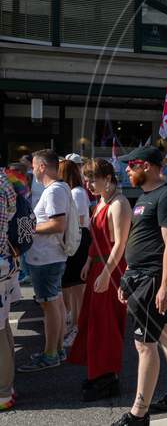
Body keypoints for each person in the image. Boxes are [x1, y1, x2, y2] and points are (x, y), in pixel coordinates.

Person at [112, 147, 167, 426]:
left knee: (144, 345)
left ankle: (138, 413)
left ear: (145, 165)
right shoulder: (146, 196)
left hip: (155, 278)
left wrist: (165, 286)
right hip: (141, 276)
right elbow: (141, 239)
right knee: (166, 334)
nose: (127, 171)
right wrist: (127, 276)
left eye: (130, 166)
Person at [69, 159, 130, 402]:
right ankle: (100, 374)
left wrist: (105, 273)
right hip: (99, 267)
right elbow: (96, 238)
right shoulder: (101, 202)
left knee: (107, 326)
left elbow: (120, 245)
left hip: (112, 270)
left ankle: (107, 377)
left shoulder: (119, 204)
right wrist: (88, 262)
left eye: (93, 178)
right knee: (95, 323)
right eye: (87, 179)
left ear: (107, 177)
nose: (88, 184)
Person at [18, 149, 70, 372]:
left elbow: (58, 225)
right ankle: (56, 351)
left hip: (46, 258)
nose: (31, 171)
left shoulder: (54, 191)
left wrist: (27, 229)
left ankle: (50, 354)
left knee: (50, 306)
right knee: (54, 304)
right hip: (49, 256)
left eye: (33, 167)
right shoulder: (57, 188)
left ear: (41, 167)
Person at [57, 160, 91, 349]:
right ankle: (74, 321)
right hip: (74, 238)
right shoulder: (73, 191)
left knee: (78, 287)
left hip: (77, 238)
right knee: (71, 285)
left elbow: (77, 221)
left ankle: (78, 327)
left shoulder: (77, 192)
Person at [0, 170, 17, 410]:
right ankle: (6, 389)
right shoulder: (5, 180)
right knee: (3, 328)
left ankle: (3, 391)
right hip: (5, 260)